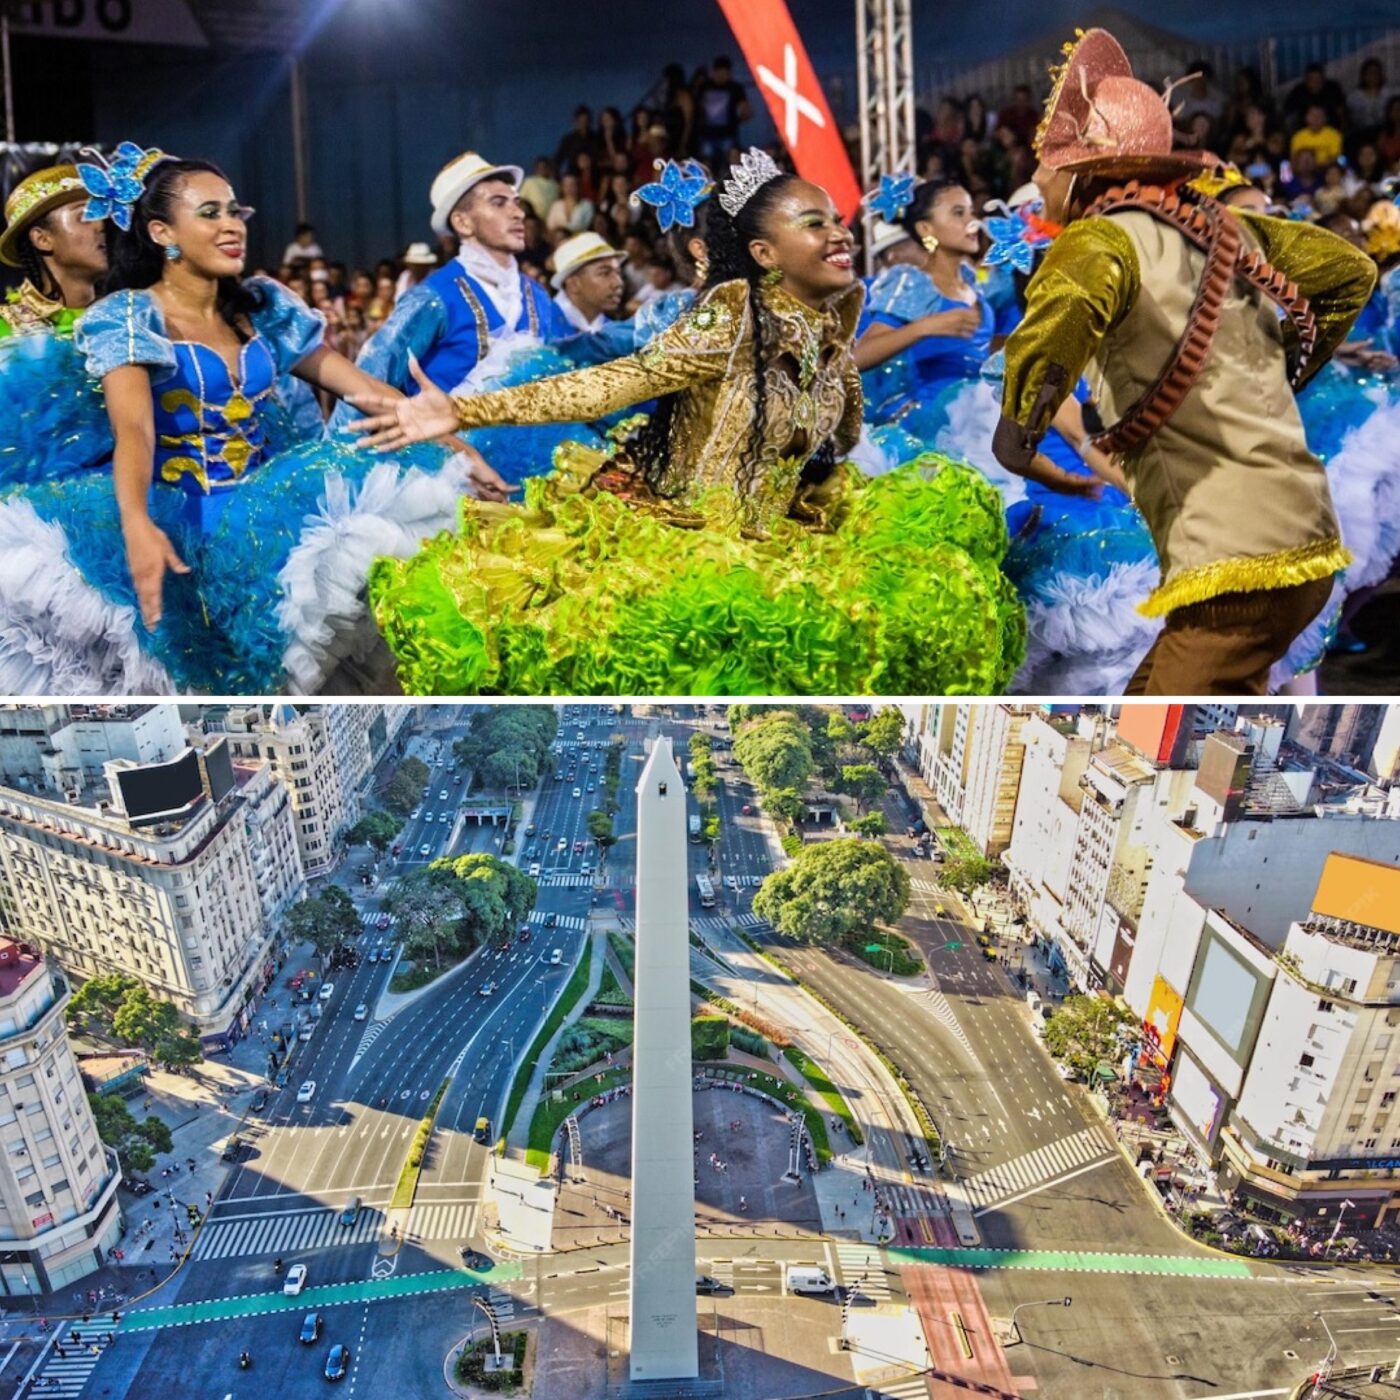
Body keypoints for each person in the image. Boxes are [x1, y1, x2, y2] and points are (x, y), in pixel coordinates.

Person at [353, 148, 1023, 696]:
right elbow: (612, 382)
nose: (839, 233)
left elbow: (832, 442)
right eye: (813, 222)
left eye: (836, 220)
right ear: (764, 253)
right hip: (682, 557)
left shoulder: (826, 330)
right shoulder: (728, 317)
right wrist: (463, 409)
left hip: (782, 549)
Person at [0, 148, 495, 695]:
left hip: (270, 527)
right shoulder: (128, 318)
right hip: (182, 529)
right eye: (209, 213)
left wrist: (457, 447)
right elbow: (134, 432)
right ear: (163, 232)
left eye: (235, 211)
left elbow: (366, 390)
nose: (231, 225)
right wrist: (137, 523)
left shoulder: (263, 310)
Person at [993, 29, 1375, 695]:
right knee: (1158, 706)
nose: (1036, 177)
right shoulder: (1224, 228)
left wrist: (1016, 442)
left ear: (1083, 169)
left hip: (1238, 566)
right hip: (1297, 543)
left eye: (1046, 161)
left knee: (1149, 734)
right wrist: (1275, 373)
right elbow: (1349, 271)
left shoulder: (1096, 242)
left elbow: (1047, 338)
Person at [0, 163, 114, 489]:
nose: (102, 226)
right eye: (85, 215)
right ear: (42, 238)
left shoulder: (128, 320)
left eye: (103, 214)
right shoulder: (5, 330)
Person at [552, 232, 625, 332]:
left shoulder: (610, 330)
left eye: (618, 273)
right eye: (605, 273)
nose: (618, 283)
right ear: (573, 284)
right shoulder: (542, 331)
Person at [695, 56, 750, 164]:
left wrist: (742, 114)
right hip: (707, 134)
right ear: (714, 72)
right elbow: (698, 108)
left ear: (729, 73)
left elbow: (745, 109)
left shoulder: (735, 88)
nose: (721, 76)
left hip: (728, 134)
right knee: (706, 162)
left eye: (724, 72)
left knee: (731, 162)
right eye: (719, 72)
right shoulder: (704, 87)